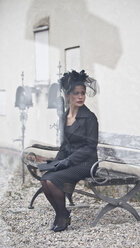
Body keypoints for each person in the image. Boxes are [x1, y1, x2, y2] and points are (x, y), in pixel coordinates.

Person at [40, 70, 98, 232]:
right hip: (72, 160)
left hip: (87, 163)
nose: (80, 97)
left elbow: (89, 147)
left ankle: (61, 217)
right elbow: (65, 146)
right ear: (67, 95)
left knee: (52, 180)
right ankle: (63, 212)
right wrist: (56, 162)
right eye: (76, 93)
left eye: (83, 93)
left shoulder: (90, 117)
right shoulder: (65, 116)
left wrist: (66, 162)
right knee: (45, 180)